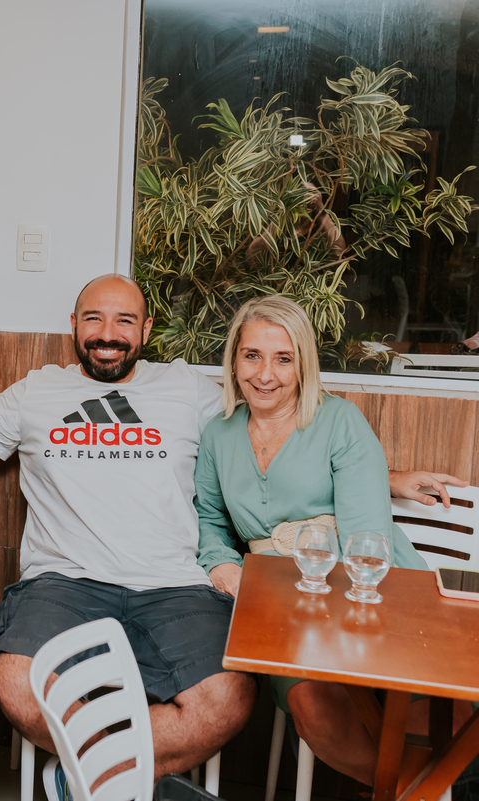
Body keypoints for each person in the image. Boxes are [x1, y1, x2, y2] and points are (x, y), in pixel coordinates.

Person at [0, 274, 462, 795]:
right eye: (93, 318)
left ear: (147, 328)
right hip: (64, 584)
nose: (108, 333)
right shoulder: (35, 392)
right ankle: (124, 780)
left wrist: (381, 479)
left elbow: (292, 436)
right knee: (18, 685)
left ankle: (87, 778)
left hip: (177, 587)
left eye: (124, 320)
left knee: (227, 699)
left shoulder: (188, 392)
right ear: (73, 325)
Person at [193, 295, 436, 782]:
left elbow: (368, 534)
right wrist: (222, 562)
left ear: (303, 363)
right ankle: (432, 789)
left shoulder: (340, 420)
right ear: (234, 359)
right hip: (278, 608)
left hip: (371, 586)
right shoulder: (218, 435)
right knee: (313, 706)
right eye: (252, 356)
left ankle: (430, 787)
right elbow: (209, 519)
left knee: (429, 702)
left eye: (283, 359)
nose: (266, 374)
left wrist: (330, 617)